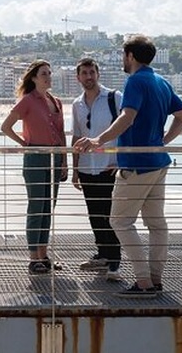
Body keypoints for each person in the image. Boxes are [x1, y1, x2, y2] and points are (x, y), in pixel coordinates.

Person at [74, 35, 182, 298]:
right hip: (158, 162)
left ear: (131, 56)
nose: (121, 60)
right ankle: (155, 280)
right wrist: (162, 141)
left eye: (123, 55)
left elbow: (128, 116)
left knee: (119, 220)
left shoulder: (136, 81)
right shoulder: (161, 81)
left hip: (137, 164)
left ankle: (143, 282)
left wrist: (97, 140)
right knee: (156, 224)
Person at [1, 59, 68, 274]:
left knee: (49, 208)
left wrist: (64, 161)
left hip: (55, 157)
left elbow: (61, 134)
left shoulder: (56, 101)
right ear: (33, 78)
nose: (48, 77)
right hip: (36, 158)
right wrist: (25, 144)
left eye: (49, 73)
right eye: (43, 74)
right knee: (36, 206)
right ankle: (33, 258)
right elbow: (6, 126)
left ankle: (44, 255)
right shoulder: (28, 101)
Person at [70, 57, 123, 282]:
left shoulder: (114, 97)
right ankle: (102, 253)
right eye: (84, 73)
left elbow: (126, 127)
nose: (89, 77)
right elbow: (75, 136)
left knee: (110, 214)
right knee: (94, 214)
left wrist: (120, 159)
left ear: (98, 74)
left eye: (92, 72)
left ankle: (115, 261)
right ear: (78, 77)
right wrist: (74, 169)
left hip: (108, 167)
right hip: (86, 167)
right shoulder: (76, 104)